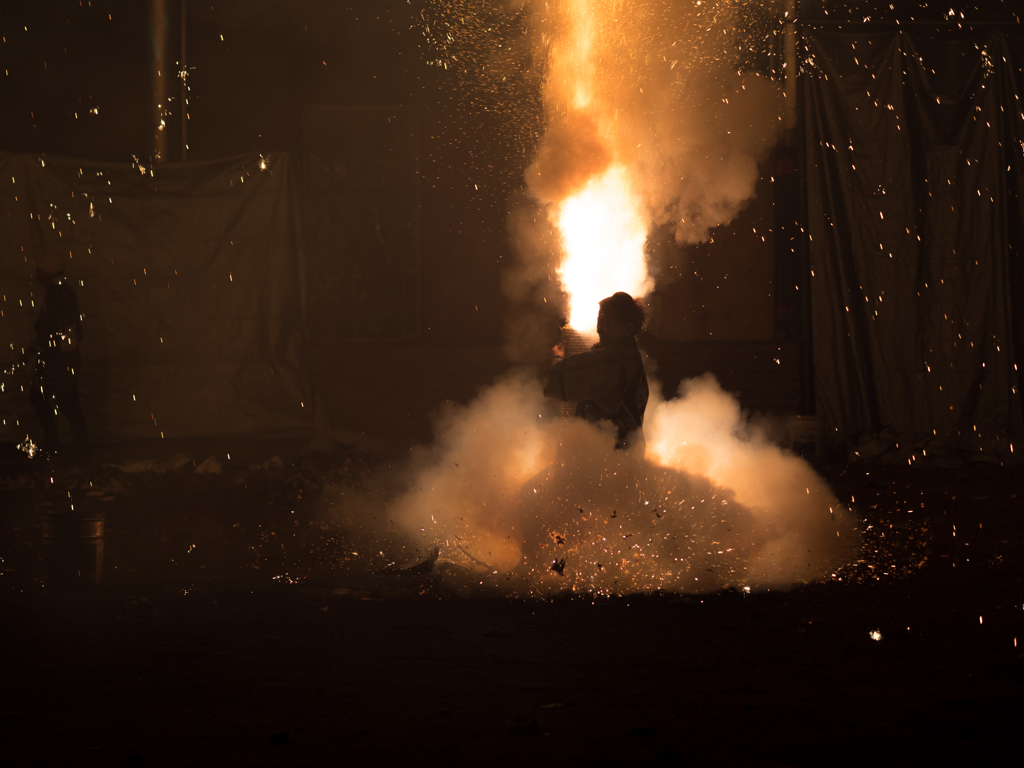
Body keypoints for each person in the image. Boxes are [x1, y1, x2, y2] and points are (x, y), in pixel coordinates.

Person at [543, 291, 650, 449]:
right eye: (599, 322)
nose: (599, 329)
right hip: (629, 455)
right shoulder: (632, 356)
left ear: (627, 328)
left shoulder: (612, 361)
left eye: (606, 324)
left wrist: (558, 358)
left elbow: (554, 384)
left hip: (607, 458)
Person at [24, 260, 90, 461]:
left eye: (40, 270)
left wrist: (33, 349)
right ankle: (64, 446)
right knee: (50, 397)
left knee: (62, 399)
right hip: (58, 355)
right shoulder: (63, 291)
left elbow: (50, 326)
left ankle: (72, 449)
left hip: (59, 358)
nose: (36, 273)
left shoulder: (58, 293)